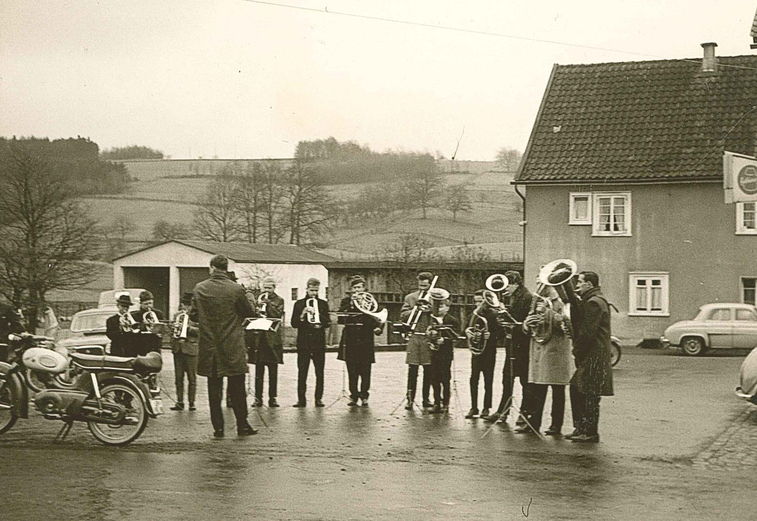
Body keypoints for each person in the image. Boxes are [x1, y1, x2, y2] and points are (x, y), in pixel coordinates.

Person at [191, 254, 258, 438]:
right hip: (232, 346)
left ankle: (218, 428)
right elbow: (248, 313)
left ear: (211, 268)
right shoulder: (236, 289)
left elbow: (194, 316)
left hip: (210, 348)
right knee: (237, 389)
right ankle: (242, 425)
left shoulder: (199, 288)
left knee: (214, 390)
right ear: (226, 268)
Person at [516, 287, 574, 435]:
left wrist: (547, 313)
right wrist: (527, 324)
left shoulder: (561, 302)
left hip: (555, 353)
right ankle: (534, 423)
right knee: (537, 390)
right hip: (539, 352)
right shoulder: (536, 302)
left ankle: (556, 425)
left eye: (541, 282)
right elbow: (528, 324)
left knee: (557, 391)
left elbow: (566, 325)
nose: (539, 285)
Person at [567, 271, 614, 443]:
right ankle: (582, 428)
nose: (576, 284)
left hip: (594, 355)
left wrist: (577, 349)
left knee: (589, 393)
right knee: (579, 389)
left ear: (589, 284)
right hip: (594, 354)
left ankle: (589, 431)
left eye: (579, 282)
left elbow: (587, 332)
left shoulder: (594, 302)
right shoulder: (594, 300)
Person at [484, 271, 533, 423]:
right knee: (507, 378)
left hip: (522, 343)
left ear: (516, 283)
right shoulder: (511, 296)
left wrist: (507, 316)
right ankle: (503, 410)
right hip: (512, 342)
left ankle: (524, 412)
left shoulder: (526, 296)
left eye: (508, 284)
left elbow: (520, 318)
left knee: (524, 380)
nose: (506, 288)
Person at [337, 275, 382, 407]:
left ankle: (365, 395)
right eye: (354, 288)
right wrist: (352, 304)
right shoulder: (346, 301)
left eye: (359, 287)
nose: (357, 290)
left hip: (365, 337)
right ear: (351, 289)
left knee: (365, 369)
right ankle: (353, 396)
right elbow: (340, 319)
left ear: (364, 288)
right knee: (352, 370)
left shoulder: (371, 302)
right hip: (350, 338)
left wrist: (378, 328)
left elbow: (378, 318)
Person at [291, 278, 331, 407]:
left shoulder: (323, 304)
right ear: (307, 289)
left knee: (320, 372)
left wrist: (318, 314)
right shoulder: (299, 304)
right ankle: (301, 399)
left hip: (318, 341)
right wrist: (303, 314)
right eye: (311, 290)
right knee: (302, 372)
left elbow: (328, 323)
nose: (314, 293)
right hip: (304, 342)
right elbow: (294, 323)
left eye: (316, 290)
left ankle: (318, 398)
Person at [466, 289, 504, 419]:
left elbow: (501, 334)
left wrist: (490, 335)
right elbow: (465, 329)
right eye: (476, 301)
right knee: (473, 379)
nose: (478, 304)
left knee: (488, 380)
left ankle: (486, 407)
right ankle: (474, 407)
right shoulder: (473, 315)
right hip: (476, 352)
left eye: (480, 301)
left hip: (489, 351)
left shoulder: (494, 314)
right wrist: (467, 332)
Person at [401, 272, 435, 410]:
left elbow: (439, 314)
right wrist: (416, 309)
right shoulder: (410, 297)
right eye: (421, 285)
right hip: (414, 336)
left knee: (428, 370)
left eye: (426, 286)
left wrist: (429, 309)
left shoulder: (434, 298)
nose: (423, 288)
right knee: (412, 369)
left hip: (428, 336)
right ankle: (410, 399)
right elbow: (403, 315)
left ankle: (426, 399)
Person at [248, 277, 284, 408]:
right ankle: (258, 398)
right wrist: (258, 308)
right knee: (259, 372)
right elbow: (254, 315)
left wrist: (268, 304)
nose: (267, 290)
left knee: (273, 372)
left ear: (274, 288)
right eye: (265, 288)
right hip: (260, 339)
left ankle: (272, 398)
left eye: (269, 288)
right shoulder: (259, 298)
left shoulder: (279, 300)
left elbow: (277, 316)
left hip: (272, 340)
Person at [428, 297, 459, 414]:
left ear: (448, 308)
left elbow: (456, 336)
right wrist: (430, 338)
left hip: (446, 353)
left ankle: (446, 403)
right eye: (437, 306)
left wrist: (444, 340)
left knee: (445, 379)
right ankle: (436, 402)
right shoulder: (431, 319)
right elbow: (428, 333)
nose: (438, 309)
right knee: (434, 378)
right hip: (434, 352)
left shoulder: (452, 320)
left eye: (441, 306)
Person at [170, 292, 199, 412]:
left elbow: (200, 331)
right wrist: (173, 328)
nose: (186, 308)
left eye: (188, 306)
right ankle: (179, 401)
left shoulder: (197, 316)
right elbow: (173, 332)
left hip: (191, 349)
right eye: (184, 305)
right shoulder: (177, 315)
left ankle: (191, 402)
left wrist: (187, 329)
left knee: (192, 378)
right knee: (178, 377)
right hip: (178, 349)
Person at [130, 290, 165, 355]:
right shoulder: (134, 315)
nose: (149, 306)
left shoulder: (158, 313)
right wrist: (143, 325)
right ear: (140, 303)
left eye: (150, 303)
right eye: (146, 304)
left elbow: (162, 330)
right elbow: (134, 330)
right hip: (140, 345)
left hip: (154, 345)